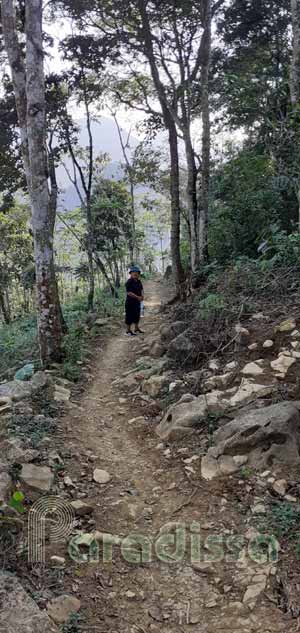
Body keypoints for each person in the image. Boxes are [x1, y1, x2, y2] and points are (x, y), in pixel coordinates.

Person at [125, 266, 144, 336]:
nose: (135, 273)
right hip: (130, 302)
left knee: (137, 315)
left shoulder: (139, 281)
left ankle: (136, 328)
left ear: (139, 274)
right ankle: (128, 331)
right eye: (133, 272)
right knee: (129, 316)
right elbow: (129, 292)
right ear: (130, 273)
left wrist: (142, 296)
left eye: (137, 272)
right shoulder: (129, 282)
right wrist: (137, 297)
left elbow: (141, 289)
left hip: (137, 302)